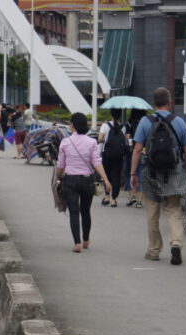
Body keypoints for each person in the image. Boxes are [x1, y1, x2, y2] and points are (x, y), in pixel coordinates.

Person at [130, 88, 186, 265]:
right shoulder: (178, 121)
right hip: (173, 172)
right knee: (173, 210)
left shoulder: (145, 121)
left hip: (151, 172)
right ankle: (176, 244)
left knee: (152, 212)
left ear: (153, 103)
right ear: (169, 102)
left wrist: (133, 173)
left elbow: (137, 149)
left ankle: (153, 250)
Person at [55, 113, 111, 253]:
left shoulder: (65, 142)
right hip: (87, 181)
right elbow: (97, 162)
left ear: (73, 125)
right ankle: (86, 239)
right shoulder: (92, 142)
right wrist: (105, 179)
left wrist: (57, 177)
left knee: (74, 212)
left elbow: (60, 165)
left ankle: (77, 243)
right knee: (85, 211)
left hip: (70, 180)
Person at [98, 108, 128, 207]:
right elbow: (125, 140)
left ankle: (107, 197)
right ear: (119, 115)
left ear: (111, 114)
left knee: (107, 176)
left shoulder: (105, 125)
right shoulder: (123, 127)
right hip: (119, 155)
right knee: (116, 176)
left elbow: (100, 138)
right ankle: (114, 200)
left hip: (107, 154)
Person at [124, 109, 146, 208]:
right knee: (141, 174)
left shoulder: (129, 123)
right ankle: (139, 201)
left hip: (131, 152)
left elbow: (128, 137)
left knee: (128, 172)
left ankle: (132, 194)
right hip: (143, 151)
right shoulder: (145, 122)